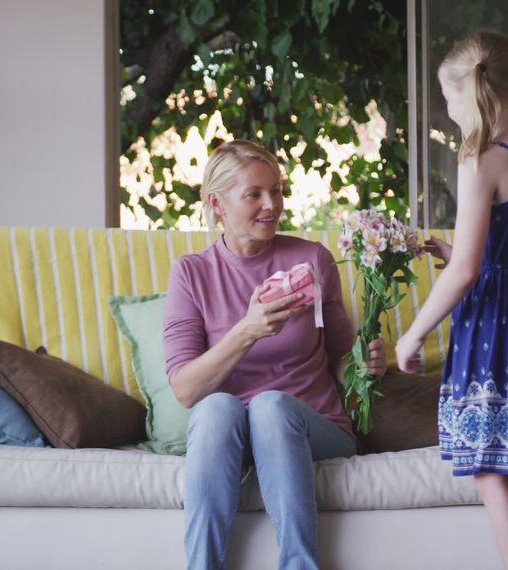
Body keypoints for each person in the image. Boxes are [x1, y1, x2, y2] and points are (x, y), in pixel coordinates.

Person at [163, 139, 386, 570]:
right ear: (217, 203)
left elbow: (341, 359)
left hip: (310, 427)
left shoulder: (311, 260)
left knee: (270, 407)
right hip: (228, 436)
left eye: (278, 190)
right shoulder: (191, 273)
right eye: (254, 194)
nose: (272, 204)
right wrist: (246, 330)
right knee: (215, 410)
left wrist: (364, 367)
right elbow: (186, 390)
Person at [394, 30, 508, 570]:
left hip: (492, 325)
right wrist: (461, 250)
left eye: (447, 98)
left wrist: (414, 332)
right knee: (496, 471)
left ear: (469, 95)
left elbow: (467, 271)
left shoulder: (480, 158)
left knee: (490, 475)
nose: (447, 110)